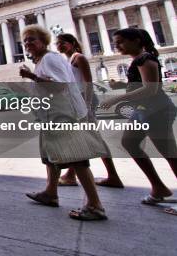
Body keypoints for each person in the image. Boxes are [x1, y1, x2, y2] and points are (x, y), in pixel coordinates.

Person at [19, 25, 109, 221]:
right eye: (25, 41)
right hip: (52, 116)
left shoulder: (51, 58)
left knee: (76, 158)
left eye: (32, 39)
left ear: (43, 41)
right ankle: (50, 193)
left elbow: (60, 87)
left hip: (64, 116)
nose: (28, 43)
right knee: (50, 156)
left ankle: (95, 205)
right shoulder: (42, 60)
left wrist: (31, 77)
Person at [99, 28, 177, 206]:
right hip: (143, 111)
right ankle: (158, 187)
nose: (116, 46)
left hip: (156, 111)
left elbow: (151, 88)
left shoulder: (145, 58)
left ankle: (158, 187)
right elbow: (141, 85)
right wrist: (120, 85)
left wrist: (117, 98)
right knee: (130, 142)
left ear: (136, 40)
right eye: (115, 43)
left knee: (170, 153)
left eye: (120, 42)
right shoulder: (138, 59)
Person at [55, 33, 124, 188]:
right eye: (57, 43)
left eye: (62, 43)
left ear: (72, 43)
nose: (59, 46)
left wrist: (86, 106)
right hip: (75, 103)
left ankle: (112, 176)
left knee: (94, 139)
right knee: (80, 139)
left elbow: (88, 83)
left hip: (83, 103)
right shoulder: (69, 60)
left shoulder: (79, 58)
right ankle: (71, 175)